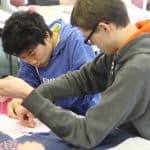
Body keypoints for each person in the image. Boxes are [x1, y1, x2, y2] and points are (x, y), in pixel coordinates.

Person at [0, 0, 150, 149]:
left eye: (89, 39)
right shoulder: (121, 49)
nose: (92, 44)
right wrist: (37, 94)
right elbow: (83, 78)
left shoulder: (138, 66)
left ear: (104, 28)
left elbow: (86, 134)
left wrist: (30, 96)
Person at [2, 11, 100, 118]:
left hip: (85, 115)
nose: (32, 61)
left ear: (47, 36)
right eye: (23, 58)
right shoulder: (29, 46)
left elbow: (86, 90)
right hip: (51, 117)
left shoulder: (76, 42)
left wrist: (36, 99)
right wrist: (20, 99)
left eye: (33, 54)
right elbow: (28, 81)